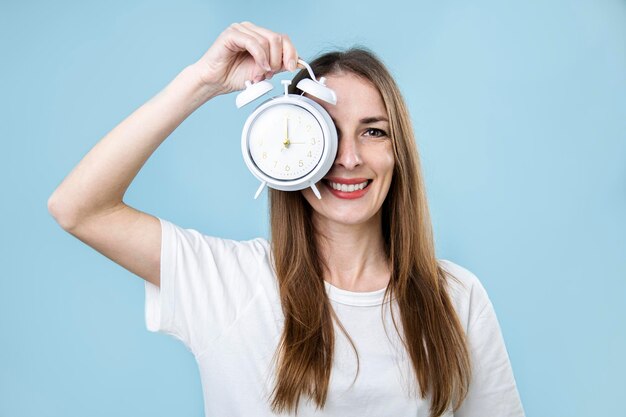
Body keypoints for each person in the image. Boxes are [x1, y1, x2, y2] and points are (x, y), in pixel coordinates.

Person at [48, 21, 525, 417]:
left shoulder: (456, 299)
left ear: (399, 153)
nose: (350, 158)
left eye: (373, 132)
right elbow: (78, 209)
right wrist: (202, 81)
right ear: (283, 149)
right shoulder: (227, 282)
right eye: (325, 132)